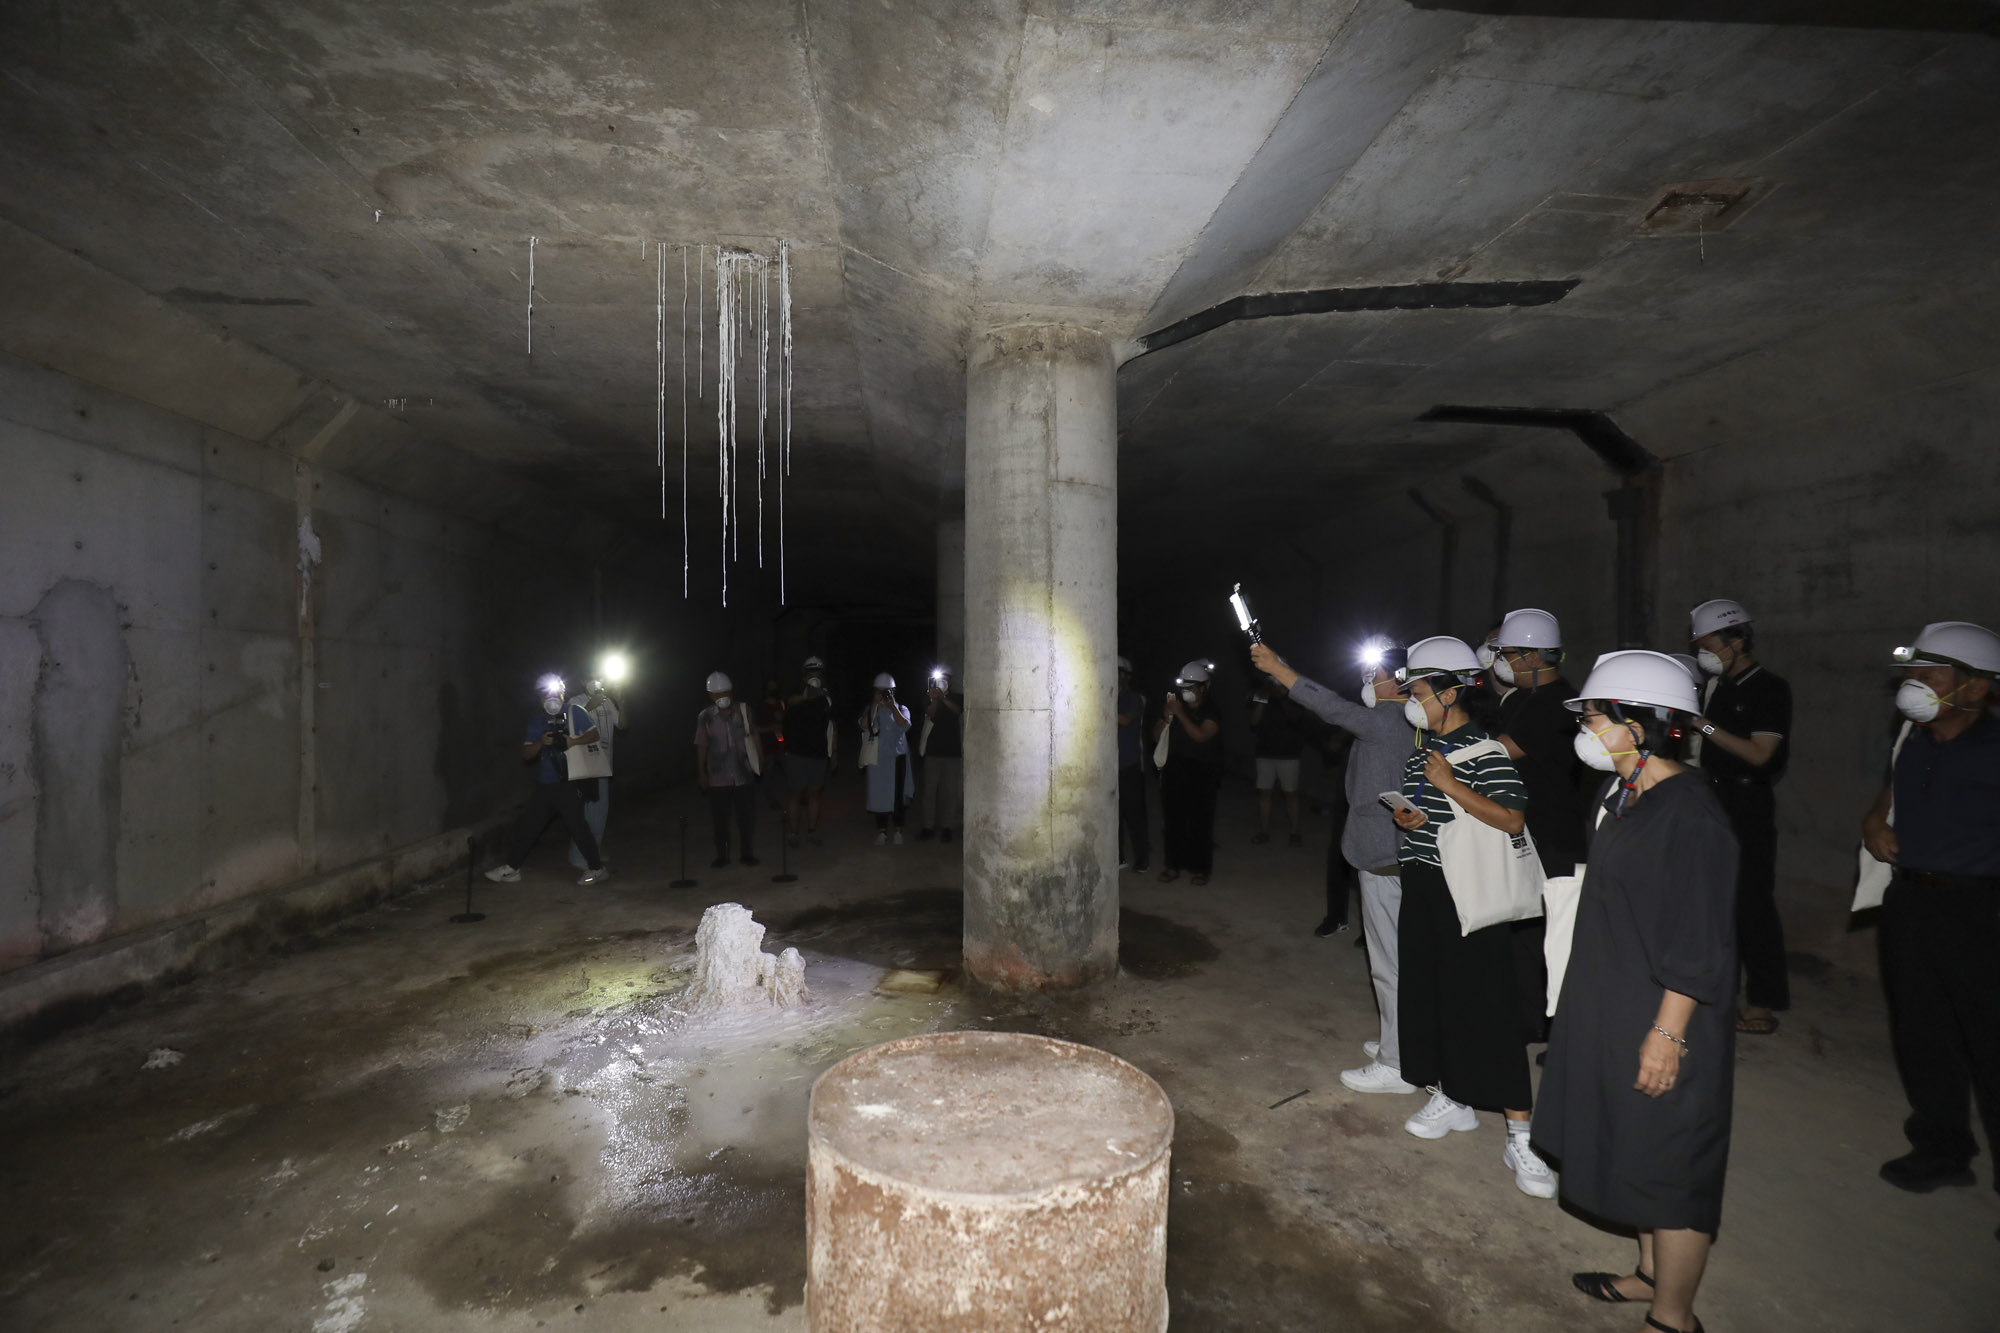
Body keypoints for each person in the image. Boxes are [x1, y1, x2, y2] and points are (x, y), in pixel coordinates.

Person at [1537, 650, 1739, 1333]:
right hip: (1617, 995)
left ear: (1642, 726)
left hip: (1665, 1009)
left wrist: (1668, 1032)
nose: (1586, 725)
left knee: (1672, 1162)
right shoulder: (1622, 792)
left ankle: (1673, 1316)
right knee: (1635, 1145)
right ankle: (1648, 1271)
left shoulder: (1690, 815)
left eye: (1595, 714)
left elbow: (1701, 939)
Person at [1386, 636, 1552, 1198]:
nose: (1412, 699)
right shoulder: (1418, 753)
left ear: (1451, 692)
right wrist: (1410, 819)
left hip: (1468, 895)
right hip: (1424, 887)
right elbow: (1426, 816)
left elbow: (1510, 820)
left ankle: (1522, 1135)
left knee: (1488, 1005)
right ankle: (1453, 1097)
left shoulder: (1483, 751)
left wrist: (1450, 785)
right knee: (1433, 996)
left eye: (1419, 690)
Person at [1860, 621, 2000, 1224]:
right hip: (1912, 903)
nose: (1914, 682)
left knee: (1991, 1044)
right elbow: (1885, 798)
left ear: (1974, 688)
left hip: (1980, 910)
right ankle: (1942, 1148)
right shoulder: (1912, 738)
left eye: (1930, 672)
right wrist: (1873, 823)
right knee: (1921, 1032)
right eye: (1912, 671)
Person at [1251, 638, 1419, 1096]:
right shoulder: (1413, 723)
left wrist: (1280, 668)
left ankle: (1398, 1064)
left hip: (1386, 860)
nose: (1369, 679)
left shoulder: (1389, 720)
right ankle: (1397, 1040)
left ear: (1400, 681)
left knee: (1390, 966)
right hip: (1397, 856)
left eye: (1378, 673)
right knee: (1398, 961)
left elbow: (1330, 708)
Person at [1687, 598, 1792, 1037]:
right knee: (1710, 902)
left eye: (1710, 643)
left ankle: (1763, 1000)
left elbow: (1760, 753)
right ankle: (1714, 993)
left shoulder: (1769, 688)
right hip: (1710, 798)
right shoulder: (1716, 688)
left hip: (1747, 803)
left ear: (1737, 639)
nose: (1704, 652)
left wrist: (1702, 725)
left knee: (1751, 901)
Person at [1491, 607, 1586, 1041]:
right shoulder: (1531, 700)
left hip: (1554, 833)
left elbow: (1502, 751)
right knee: (1526, 933)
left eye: (1509, 654)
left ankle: (1561, 1031)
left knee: (1554, 937)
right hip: (1533, 830)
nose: (1504, 661)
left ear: (1532, 657)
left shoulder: (1553, 703)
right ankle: (1531, 1021)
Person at [487, 677, 609, 885]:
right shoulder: (537, 721)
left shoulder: (575, 711)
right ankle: (512, 868)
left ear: (563, 693)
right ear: (539, 698)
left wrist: (572, 740)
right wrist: (540, 742)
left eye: (556, 692)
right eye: (545, 694)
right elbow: (526, 754)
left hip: (569, 781)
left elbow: (594, 735)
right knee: (529, 826)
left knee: (577, 826)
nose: (550, 697)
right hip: (545, 784)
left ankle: (597, 868)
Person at [1154, 659, 1222, 886]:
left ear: (1203, 687)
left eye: (1191, 688)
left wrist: (1181, 715)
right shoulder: (1174, 705)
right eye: (1184, 688)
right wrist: (1167, 717)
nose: (1187, 692)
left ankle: (1200, 869)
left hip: (1202, 771)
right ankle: (1172, 865)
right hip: (1175, 769)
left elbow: (1202, 736)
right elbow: (1155, 737)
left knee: (1200, 821)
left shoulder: (1211, 710)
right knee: (1173, 820)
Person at [693, 670, 759, 868]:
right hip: (717, 776)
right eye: (717, 694)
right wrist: (701, 771)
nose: (722, 697)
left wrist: (759, 762)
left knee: (745, 817)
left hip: (744, 773)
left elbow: (754, 735)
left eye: (725, 693)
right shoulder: (705, 716)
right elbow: (701, 744)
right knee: (720, 819)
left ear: (731, 692)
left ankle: (747, 853)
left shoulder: (744, 711)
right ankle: (722, 854)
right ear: (711, 696)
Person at [566, 675, 624, 871]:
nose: (596, 681)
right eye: (590, 678)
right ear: (582, 681)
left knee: (600, 811)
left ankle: (593, 851)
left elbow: (623, 725)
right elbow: (569, 723)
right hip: (586, 765)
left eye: (599, 677)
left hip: (604, 765)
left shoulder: (607, 701)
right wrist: (591, 705)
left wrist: (621, 701)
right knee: (588, 813)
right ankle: (578, 856)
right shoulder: (576, 701)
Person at [783, 656, 837, 845]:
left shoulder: (826, 696)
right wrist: (806, 696)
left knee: (815, 793)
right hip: (796, 751)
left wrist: (834, 751)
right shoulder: (796, 692)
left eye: (817, 672)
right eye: (811, 672)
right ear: (804, 675)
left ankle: (811, 831)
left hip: (818, 752)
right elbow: (790, 701)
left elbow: (831, 724)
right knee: (795, 793)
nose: (814, 675)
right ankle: (793, 833)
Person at [859, 671, 914, 844]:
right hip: (878, 759)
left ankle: (898, 830)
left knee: (898, 795)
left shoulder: (902, 708)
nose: (884, 694)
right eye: (880, 691)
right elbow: (864, 725)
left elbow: (904, 726)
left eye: (887, 691)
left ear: (893, 691)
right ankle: (882, 831)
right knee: (879, 794)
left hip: (897, 757)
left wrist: (892, 707)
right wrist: (875, 704)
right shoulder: (871, 709)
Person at [1249, 687, 1307, 845]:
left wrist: (1282, 696)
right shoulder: (1262, 692)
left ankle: (1295, 832)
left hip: (1289, 753)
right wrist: (1261, 700)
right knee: (1264, 793)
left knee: (1291, 794)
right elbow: (1253, 721)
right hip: (1265, 752)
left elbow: (1296, 716)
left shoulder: (1293, 693)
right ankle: (1263, 831)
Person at [917, 667, 965, 842]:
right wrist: (934, 698)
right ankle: (928, 827)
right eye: (938, 680)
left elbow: (957, 711)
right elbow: (930, 713)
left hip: (952, 752)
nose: (941, 683)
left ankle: (947, 827)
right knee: (929, 791)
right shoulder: (928, 696)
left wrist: (943, 697)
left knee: (950, 792)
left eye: (944, 679)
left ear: (950, 682)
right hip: (933, 751)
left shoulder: (957, 696)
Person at [1116, 656, 1150, 873]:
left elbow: (1127, 719)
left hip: (1129, 764)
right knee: (1114, 815)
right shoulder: (1108, 696)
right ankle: (1117, 857)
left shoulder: (1134, 698)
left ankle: (1142, 859)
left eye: (1120, 672)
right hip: (1110, 765)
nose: (1117, 676)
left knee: (1134, 815)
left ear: (1127, 676)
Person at [755, 678, 788, 813]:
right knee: (767, 776)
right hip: (767, 747)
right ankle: (771, 800)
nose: (773, 691)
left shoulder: (781, 705)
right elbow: (755, 729)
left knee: (791, 770)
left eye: (775, 687)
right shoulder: (761, 708)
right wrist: (772, 728)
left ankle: (799, 796)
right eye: (770, 688)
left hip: (781, 746)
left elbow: (783, 724)